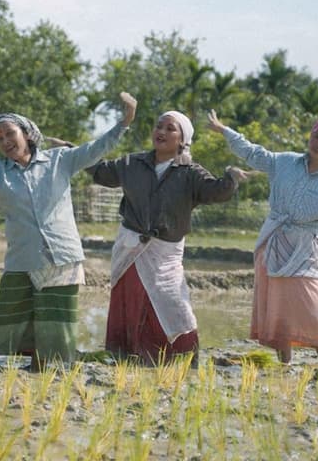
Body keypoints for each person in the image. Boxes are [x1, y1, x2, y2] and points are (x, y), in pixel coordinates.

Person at [0, 92, 137, 371]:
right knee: (8, 315)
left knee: (57, 321)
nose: (5, 142)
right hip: (22, 258)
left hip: (62, 256)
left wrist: (125, 121)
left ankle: (51, 369)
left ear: (27, 133)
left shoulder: (60, 160)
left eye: (9, 134)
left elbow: (95, 148)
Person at [207, 110, 318, 365]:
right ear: (310, 138)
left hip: (304, 249)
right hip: (273, 241)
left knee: (312, 308)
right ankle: (285, 365)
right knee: (278, 306)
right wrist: (224, 130)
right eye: (317, 136)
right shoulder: (285, 162)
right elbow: (253, 153)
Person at [89, 111, 250, 366]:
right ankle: (128, 355)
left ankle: (181, 357)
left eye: (170, 128)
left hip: (165, 252)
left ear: (182, 138)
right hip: (130, 247)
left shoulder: (190, 172)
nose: (161, 132)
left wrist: (230, 177)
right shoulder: (132, 164)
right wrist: (73, 154)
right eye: (158, 125)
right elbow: (100, 172)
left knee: (174, 301)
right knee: (132, 299)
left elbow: (215, 191)